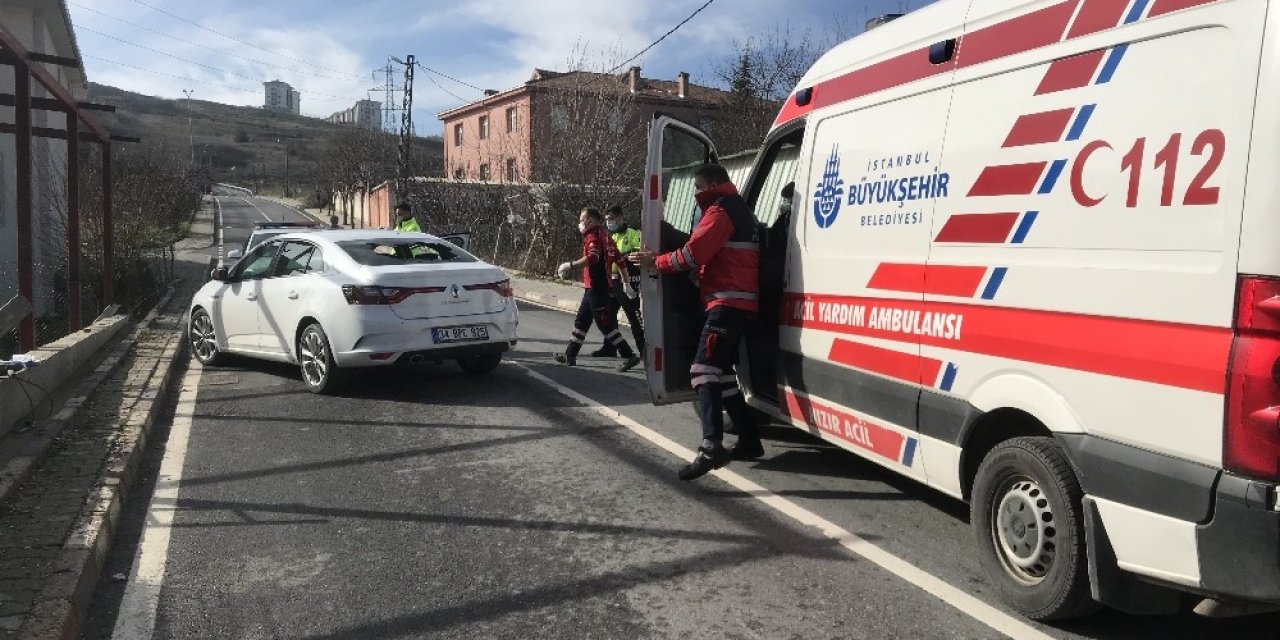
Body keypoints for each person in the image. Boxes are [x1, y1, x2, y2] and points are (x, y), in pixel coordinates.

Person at [631, 164, 763, 481]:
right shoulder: (737, 208)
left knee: (702, 371)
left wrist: (655, 262)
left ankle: (711, 447)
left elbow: (692, 253)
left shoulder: (720, 211)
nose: (694, 191)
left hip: (726, 304)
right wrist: (700, 274)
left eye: (697, 185)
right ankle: (749, 439)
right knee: (723, 374)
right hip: (737, 302)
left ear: (712, 184)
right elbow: (724, 257)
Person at [555, 208, 642, 372]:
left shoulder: (593, 236)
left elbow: (593, 257)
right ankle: (570, 355)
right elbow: (620, 261)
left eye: (582, 219)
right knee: (582, 320)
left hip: (597, 286)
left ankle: (628, 355)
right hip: (594, 287)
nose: (580, 222)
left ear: (591, 220)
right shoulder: (606, 236)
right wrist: (627, 283)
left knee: (605, 324)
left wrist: (570, 265)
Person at [591, 205, 645, 357]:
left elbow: (638, 252)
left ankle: (644, 351)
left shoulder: (633, 234)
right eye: (607, 220)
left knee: (633, 316)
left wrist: (627, 255)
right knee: (608, 315)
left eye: (612, 219)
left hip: (627, 281)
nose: (609, 222)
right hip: (611, 281)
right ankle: (609, 347)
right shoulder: (609, 236)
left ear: (620, 218)